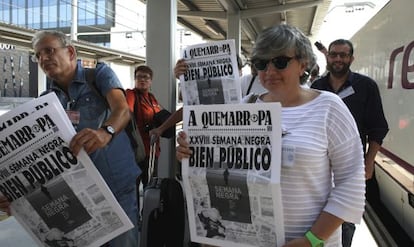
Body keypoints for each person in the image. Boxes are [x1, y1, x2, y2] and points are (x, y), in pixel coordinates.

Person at [176, 24, 366, 247]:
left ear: (302, 64)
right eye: (261, 63)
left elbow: (351, 181)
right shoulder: (243, 108)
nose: (269, 71)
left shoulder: (328, 107)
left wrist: (312, 240)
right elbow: (225, 172)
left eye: (280, 62)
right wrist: (192, 153)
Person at [31, 30, 140, 247]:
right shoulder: (46, 100)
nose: (43, 58)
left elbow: (122, 110)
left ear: (70, 52)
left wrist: (105, 132)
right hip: (79, 193)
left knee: (123, 243)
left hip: (117, 185)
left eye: (49, 51)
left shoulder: (98, 75)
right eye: (38, 55)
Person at [311, 38, 389, 247]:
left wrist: (369, 161)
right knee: (320, 216)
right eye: (334, 54)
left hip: (350, 166)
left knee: (345, 219)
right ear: (328, 57)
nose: (338, 59)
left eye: (343, 55)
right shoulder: (316, 87)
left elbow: (378, 127)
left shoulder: (366, 86)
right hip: (319, 166)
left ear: (351, 59)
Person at [126, 65, 169, 187]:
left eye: (146, 77)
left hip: (153, 150)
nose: (142, 80)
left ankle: (149, 207)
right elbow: (126, 112)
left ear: (151, 81)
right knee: (134, 185)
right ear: (135, 79)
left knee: (151, 187)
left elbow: (161, 115)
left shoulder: (152, 98)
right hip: (137, 151)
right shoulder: (130, 94)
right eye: (139, 77)